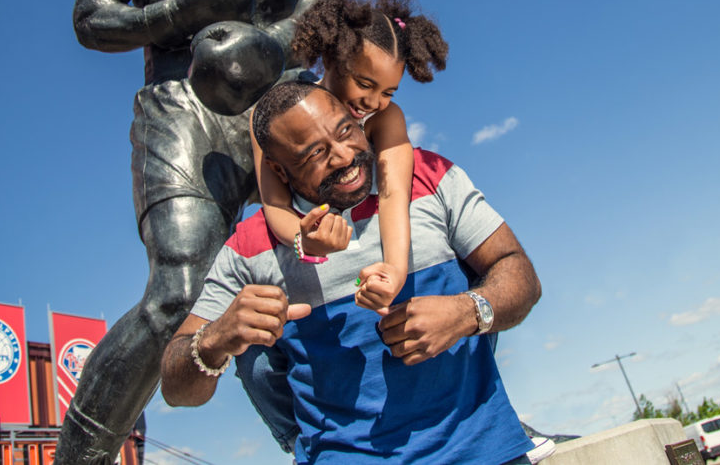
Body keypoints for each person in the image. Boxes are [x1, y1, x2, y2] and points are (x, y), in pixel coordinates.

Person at [59, 0, 343, 464]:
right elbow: (91, 16)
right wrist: (177, 15)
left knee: (352, 250)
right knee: (178, 291)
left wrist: (263, 45)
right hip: (181, 102)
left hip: (280, 97)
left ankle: (354, 439)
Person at [160, 81, 543, 464]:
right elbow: (176, 388)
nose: (344, 157)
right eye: (315, 153)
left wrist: (466, 312)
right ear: (278, 169)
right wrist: (215, 339)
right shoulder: (248, 248)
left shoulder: (428, 177)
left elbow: (519, 273)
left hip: (490, 454)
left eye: (346, 131)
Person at [252, 0, 448, 313]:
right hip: (306, 283)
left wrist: (395, 268)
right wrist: (304, 241)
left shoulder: (384, 118)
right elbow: (274, 204)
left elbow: (392, 194)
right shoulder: (278, 117)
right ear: (332, 59)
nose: (374, 102)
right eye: (365, 84)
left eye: (389, 91)